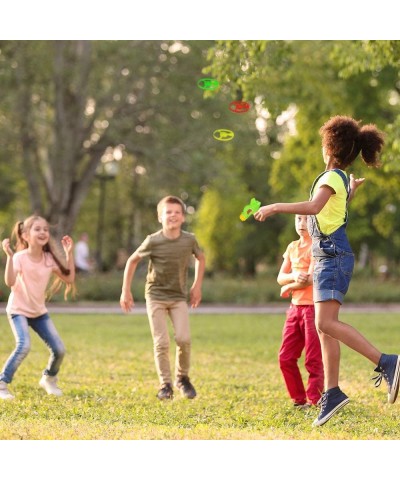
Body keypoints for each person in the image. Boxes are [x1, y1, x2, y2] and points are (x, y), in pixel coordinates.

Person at [254, 115, 400, 427]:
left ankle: (386, 361)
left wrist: (275, 206)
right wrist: (353, 192)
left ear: (329, 149)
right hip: (328, 254)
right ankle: (331, 392)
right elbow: (336, 209)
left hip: (331, 255)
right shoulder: (340, 179)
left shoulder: (331, 177)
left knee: (325, 322)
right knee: (323, 328)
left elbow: (314, 208)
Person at [120, 195, 206, 400]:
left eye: (177, 212)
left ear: (183, 217)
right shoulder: (153, 240)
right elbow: (132, 261)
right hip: (156, 296)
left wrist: (197, 286)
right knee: (161, 342)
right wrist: (126, 290)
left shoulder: (189, 239)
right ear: (160, 217)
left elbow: (201, 258)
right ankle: (165, 385)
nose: (173, 215)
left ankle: (182, 378)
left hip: (178, 297)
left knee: (183, 339)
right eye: (168, 212)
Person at [0, 215, 75, 400]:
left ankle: (49, 379)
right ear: (25, 235)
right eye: (37, 229)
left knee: (59, 350)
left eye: (46, 229)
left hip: (39, 312)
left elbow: (69, 278)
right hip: (18, 310)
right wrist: (9, 257)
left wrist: (69, 253)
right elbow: (10, 282)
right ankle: (2, 383)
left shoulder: (49, 259)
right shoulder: (19, 257)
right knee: (23, 345)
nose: (43, 232)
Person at [277, 214, 323, 408]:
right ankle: (299, 400)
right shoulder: (292, 247)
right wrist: (293, 276)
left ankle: (316, 400)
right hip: (294, 309)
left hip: (313, 309)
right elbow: (280, 277)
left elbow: (311, 278)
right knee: (285, 357)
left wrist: (288, 287)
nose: (302, 224)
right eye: (298, 219)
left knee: (313, 359)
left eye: (306, 219)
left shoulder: (317, 246)